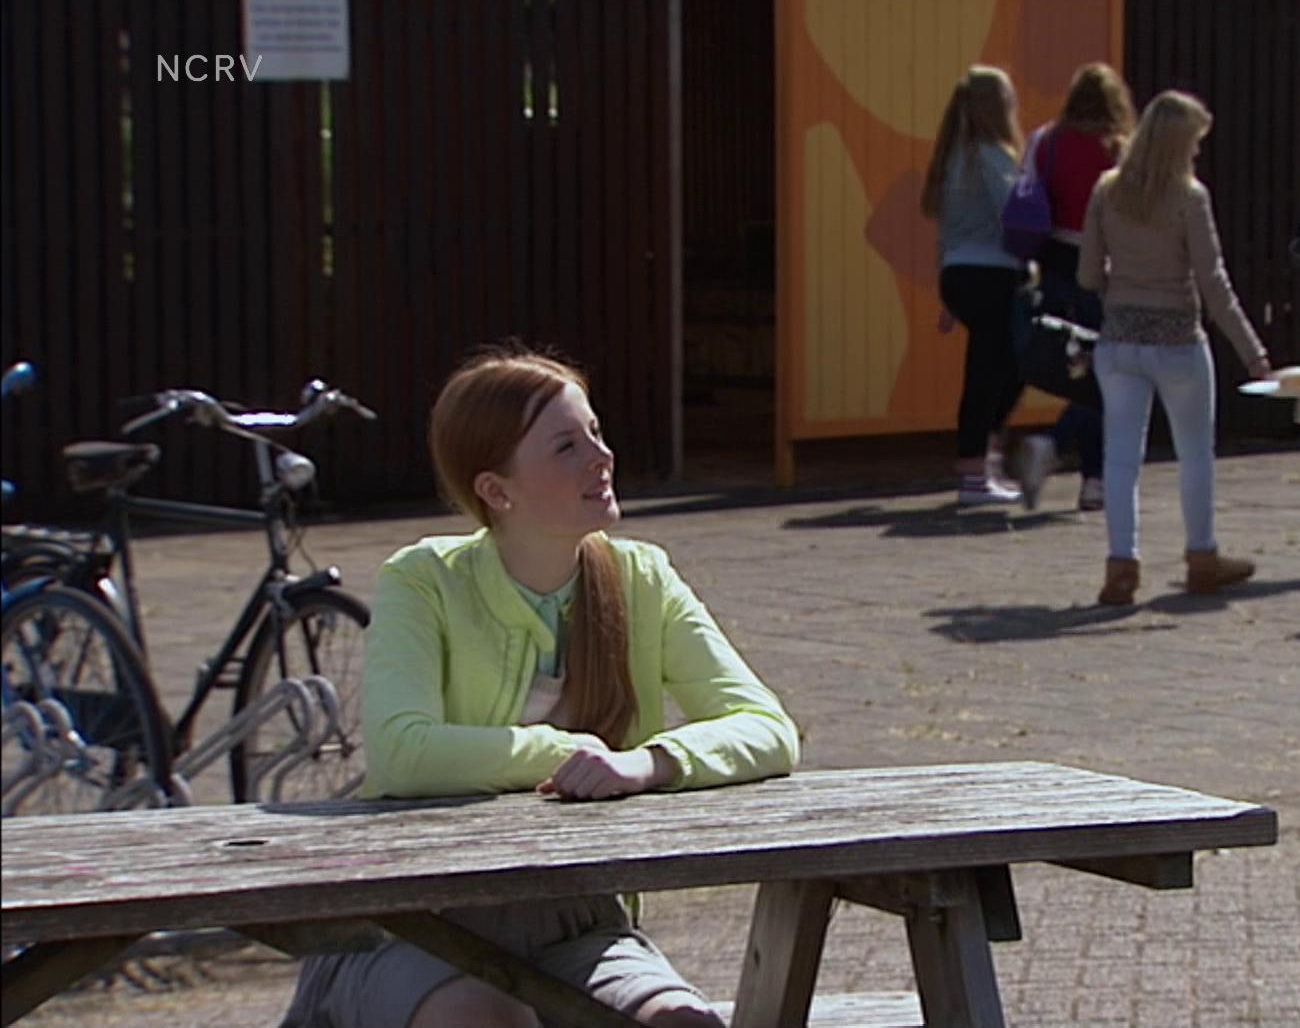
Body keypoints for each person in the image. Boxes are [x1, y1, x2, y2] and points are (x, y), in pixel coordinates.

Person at [280, 349, 801, 1028]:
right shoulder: (423, 579)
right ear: (497, 491)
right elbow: (401, 753)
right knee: (487, 1021)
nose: (601, 457)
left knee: (683, 1024)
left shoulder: (642, 577)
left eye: (595, 432)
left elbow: (767, 728)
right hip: (410, 920)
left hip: (576, 921)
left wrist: (648, 764)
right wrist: (565, 753)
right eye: (566, 446)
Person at [1077, 90, 1273, 606]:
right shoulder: (1190, 197)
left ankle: (1121, 565)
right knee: (1195, 454)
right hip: (1178, 342)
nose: (1198, 152)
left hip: (1120, 341)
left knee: (1121, 458)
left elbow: (1087, 274)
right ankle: (1202, 557)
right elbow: (1214, 284)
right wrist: (1252, 352)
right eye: (1195, 142)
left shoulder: (1107, 192)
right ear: (1179, 144)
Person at [1017, 62, 1137, 514]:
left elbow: (1026, 194)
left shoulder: (1044, 141)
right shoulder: (1120, 149)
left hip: (1053, 261)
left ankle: (1073, 462)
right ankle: (1084, 471)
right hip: (1103, 267)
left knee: (1082, 372)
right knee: (1104, 372)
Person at [923, 65, 1028, 506]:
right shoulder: (991, 155)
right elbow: (1013, 215)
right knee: (1000, 369)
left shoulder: (953, 158)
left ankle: (982, 460)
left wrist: (948, 296)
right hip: (993, 274)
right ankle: (977, 466)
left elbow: (946, 231)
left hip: (959, 273)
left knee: (992, 367)